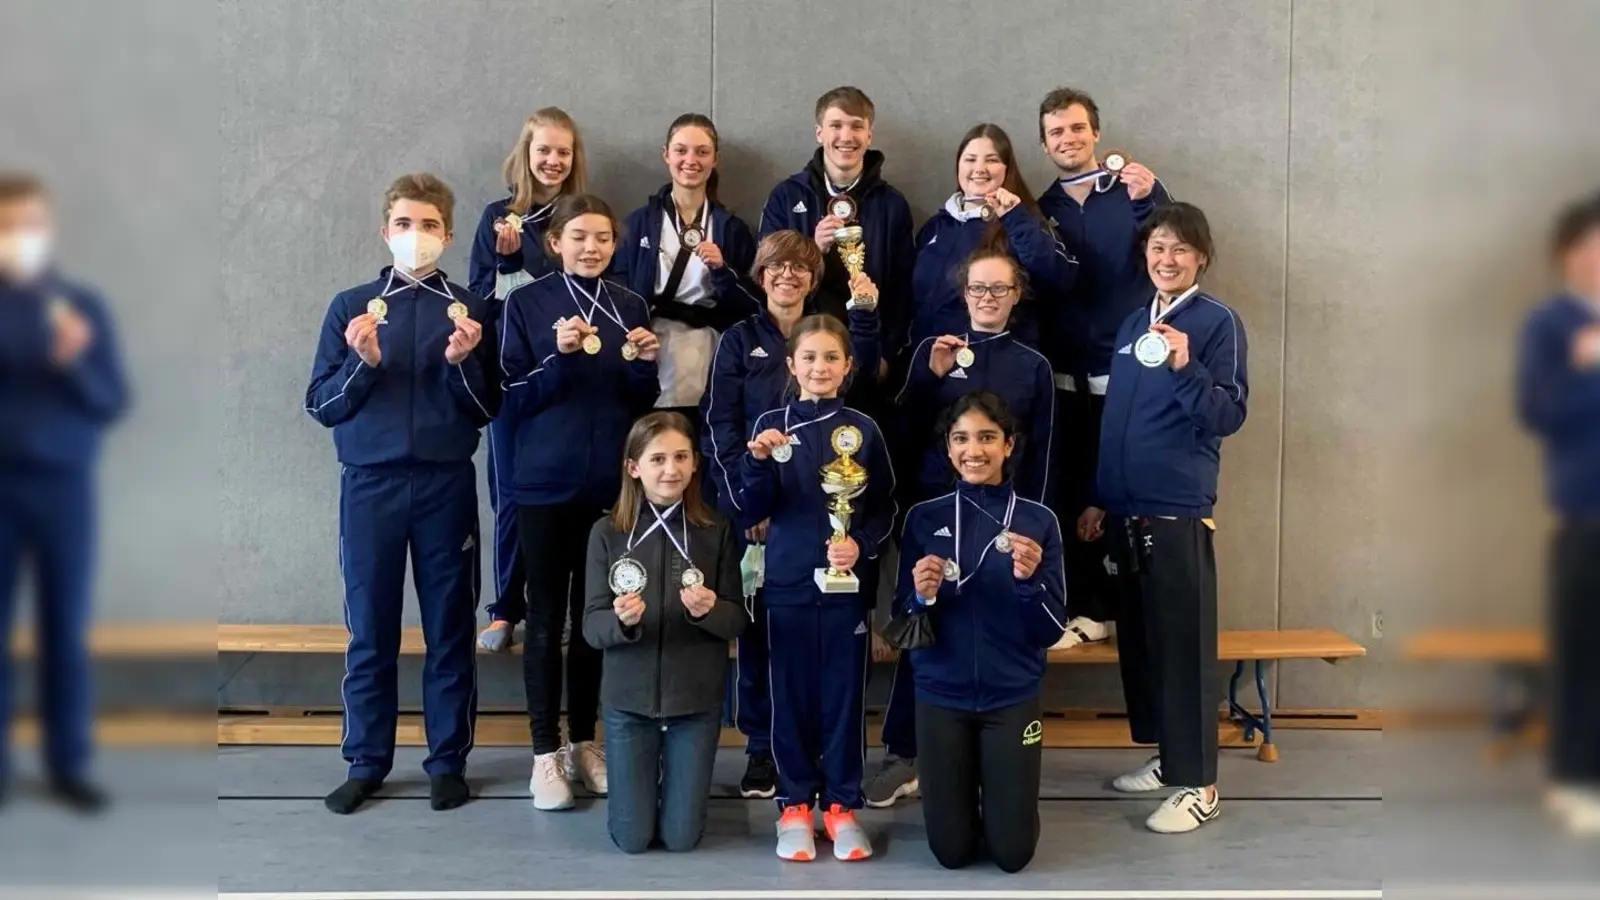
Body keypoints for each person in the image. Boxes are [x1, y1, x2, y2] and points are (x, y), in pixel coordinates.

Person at [304, 173, 499, 815]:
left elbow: (484, 410)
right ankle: (366, 761)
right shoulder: (350, 306)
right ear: (386, 231)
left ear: (447, 233)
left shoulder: (469, 309)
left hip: (444, 485)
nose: (416, 237)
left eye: (429, 226)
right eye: (404, 225)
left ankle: (447, 761)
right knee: (371, 631)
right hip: (370, 486)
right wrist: (363, 361)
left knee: (449, 629)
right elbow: (322, 405)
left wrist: (464, 362)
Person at [1080, 202, 1247, 834]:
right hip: (1125, 508)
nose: (1166, 259)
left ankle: (1200, 782)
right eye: (1156, 248)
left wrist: (1185, 365)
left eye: (1179, 249)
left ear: (1200, 256)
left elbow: (1227, 415)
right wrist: (1100, 494)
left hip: (1177, 509)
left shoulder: (1216, 324)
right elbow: (1116, 418)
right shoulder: (1130, 326)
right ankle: (1167, 758)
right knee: (1144, 650)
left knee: (1183, 648)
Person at [867, 248, 1055, 808]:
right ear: (963, 293)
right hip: (934, 514)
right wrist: (928, 381)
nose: (988, 299)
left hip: (1004, 522)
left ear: (1016, 295)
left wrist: (1035, 526)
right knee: (923, 626)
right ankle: (905, 752)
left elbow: (1044, 451)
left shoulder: (1033, 364)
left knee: (993, 626)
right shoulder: (935, 351)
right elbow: (899, 428)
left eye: (1000, 289)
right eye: (979, 289)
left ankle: (984, 752)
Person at [701, 231, 879, 800]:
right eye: (776, 266)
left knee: (818, 646)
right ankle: (761, 749)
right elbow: (719, 426)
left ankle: (828, 763)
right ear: (759, 274)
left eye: (800, 268)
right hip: (753, 511)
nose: (788, 276)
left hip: (820, 519)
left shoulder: (828, 334)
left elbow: (857, 413)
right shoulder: (738, 339)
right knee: (759, 636)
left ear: (814, 277)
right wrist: (745, 499)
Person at [499, 194, 661, 811]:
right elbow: (511, 397)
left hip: (610, 490)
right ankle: (545, 752)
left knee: (599, 618)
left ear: (614, 246)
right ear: (556, 243)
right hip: (542, 485)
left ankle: (586, 743)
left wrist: (645, 365)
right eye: (579, 237)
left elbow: (637, 400)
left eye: (602, 238)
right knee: (544, 620)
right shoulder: (525, 303)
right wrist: (559, 359)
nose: (591, 247)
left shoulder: (629, 305)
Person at [740, 314, 895, 862]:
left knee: (844, 696)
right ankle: (794, 805)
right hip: (784, 582)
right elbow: (750, 510)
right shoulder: (770, 427)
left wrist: (862, 548)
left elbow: (883, 511)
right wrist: (757, 462)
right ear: (791, 365)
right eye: (809, 357)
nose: (820, 367)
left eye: (831, 357)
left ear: (848, 366)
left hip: (845, 588)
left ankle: (841, 806)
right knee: (790, 696)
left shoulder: (865, 431)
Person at [894, 392, 1067, 872]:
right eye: (962, 438)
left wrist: (1031, 584)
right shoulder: (923, 519)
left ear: (1008, 445)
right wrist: (921, 596)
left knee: (1012, 855)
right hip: (940, 697)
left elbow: (1050, 630)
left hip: (1011, 697)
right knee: (951, 853)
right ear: (949, 450)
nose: (975, 450)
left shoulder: (1038, 522)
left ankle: (1006, 813)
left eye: (988, 437)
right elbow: (902, 621)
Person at [0, 173, 129, 812]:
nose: (20, 237)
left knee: (64, 629)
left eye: (31, 224)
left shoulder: (79, 307)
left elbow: (112, 401)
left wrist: (75, 358)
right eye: (8, 225)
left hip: (63, 490)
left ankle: (68, 765)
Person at [1036, 87, 1171, 650]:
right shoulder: (1041, 207)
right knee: (1074, 489)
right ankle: (1087, 609)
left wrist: (1152, 197)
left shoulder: (1136, 189)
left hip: (1131, 369)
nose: (1068, 139)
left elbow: (1171, 248)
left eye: (1076, 129)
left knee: (1128, 489)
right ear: (1045, 145)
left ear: (1096, 133)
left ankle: (1138, 613)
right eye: (1056, 133)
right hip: (1067, 372)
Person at [582, 412, 747, 853]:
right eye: (657, 459)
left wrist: (709, 610)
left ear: (696, 464)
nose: (670, 470)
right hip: (628, 705)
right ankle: (640, 793)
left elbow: (737, 619)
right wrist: (622, 621)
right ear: (633, 467)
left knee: (681, 839)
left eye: (680, 457)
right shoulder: (607, 533)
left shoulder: (717, 531)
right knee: (632, 839)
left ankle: (675, 795)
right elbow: (591, 625)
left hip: (695, 705)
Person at [471, 107, 588, 654]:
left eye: (563, 151)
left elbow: (581, 294)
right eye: (544, 149)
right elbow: (481, 304)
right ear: (526, 153)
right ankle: (504, 610)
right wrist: (507, 263)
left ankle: (564, 610)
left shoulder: (578, 219)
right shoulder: (499, 218)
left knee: (573, 501)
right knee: (511, 496)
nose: (553, 160)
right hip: (514, 382)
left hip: (570, 382)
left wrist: (531, 270)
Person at [1515, 189, 1600, 834]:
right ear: (1565, 257)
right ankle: (1576, 780)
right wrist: (1584, 368)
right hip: (1585, 514)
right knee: (1580, 653)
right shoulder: (1550, 326)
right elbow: (1538, 414)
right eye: (1587, 249)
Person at [610, 114, 759, 450]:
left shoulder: (731, 228)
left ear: (715, 159)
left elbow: (752, 306)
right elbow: (616, 294)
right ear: (666, 154)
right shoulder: (638, 224)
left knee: (699, 450)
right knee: (653, 450)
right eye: (681, 150)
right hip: (650, 349)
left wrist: (722, 271)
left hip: (707, 350)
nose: (690, 161)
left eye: (702, 152)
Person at [758, 85, 912, 389]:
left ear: (869, 135)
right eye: (836, 125)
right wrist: (812, 250)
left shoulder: (891, 204)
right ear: (819, 133)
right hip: (802, 360)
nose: (846, 136)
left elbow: (903, 289)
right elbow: (766, 275)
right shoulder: (786, 196)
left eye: (857, 126)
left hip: (866, 353)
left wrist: (887, 354)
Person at [908, 123, 1075, 348]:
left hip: (997, 370)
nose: (979, 168)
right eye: (970, 159)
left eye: (992, 160)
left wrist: (1014, 218)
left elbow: (1058, 277)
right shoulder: (935, 228)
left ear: (1007, 168)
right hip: (931, 365)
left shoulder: (1024, 222)